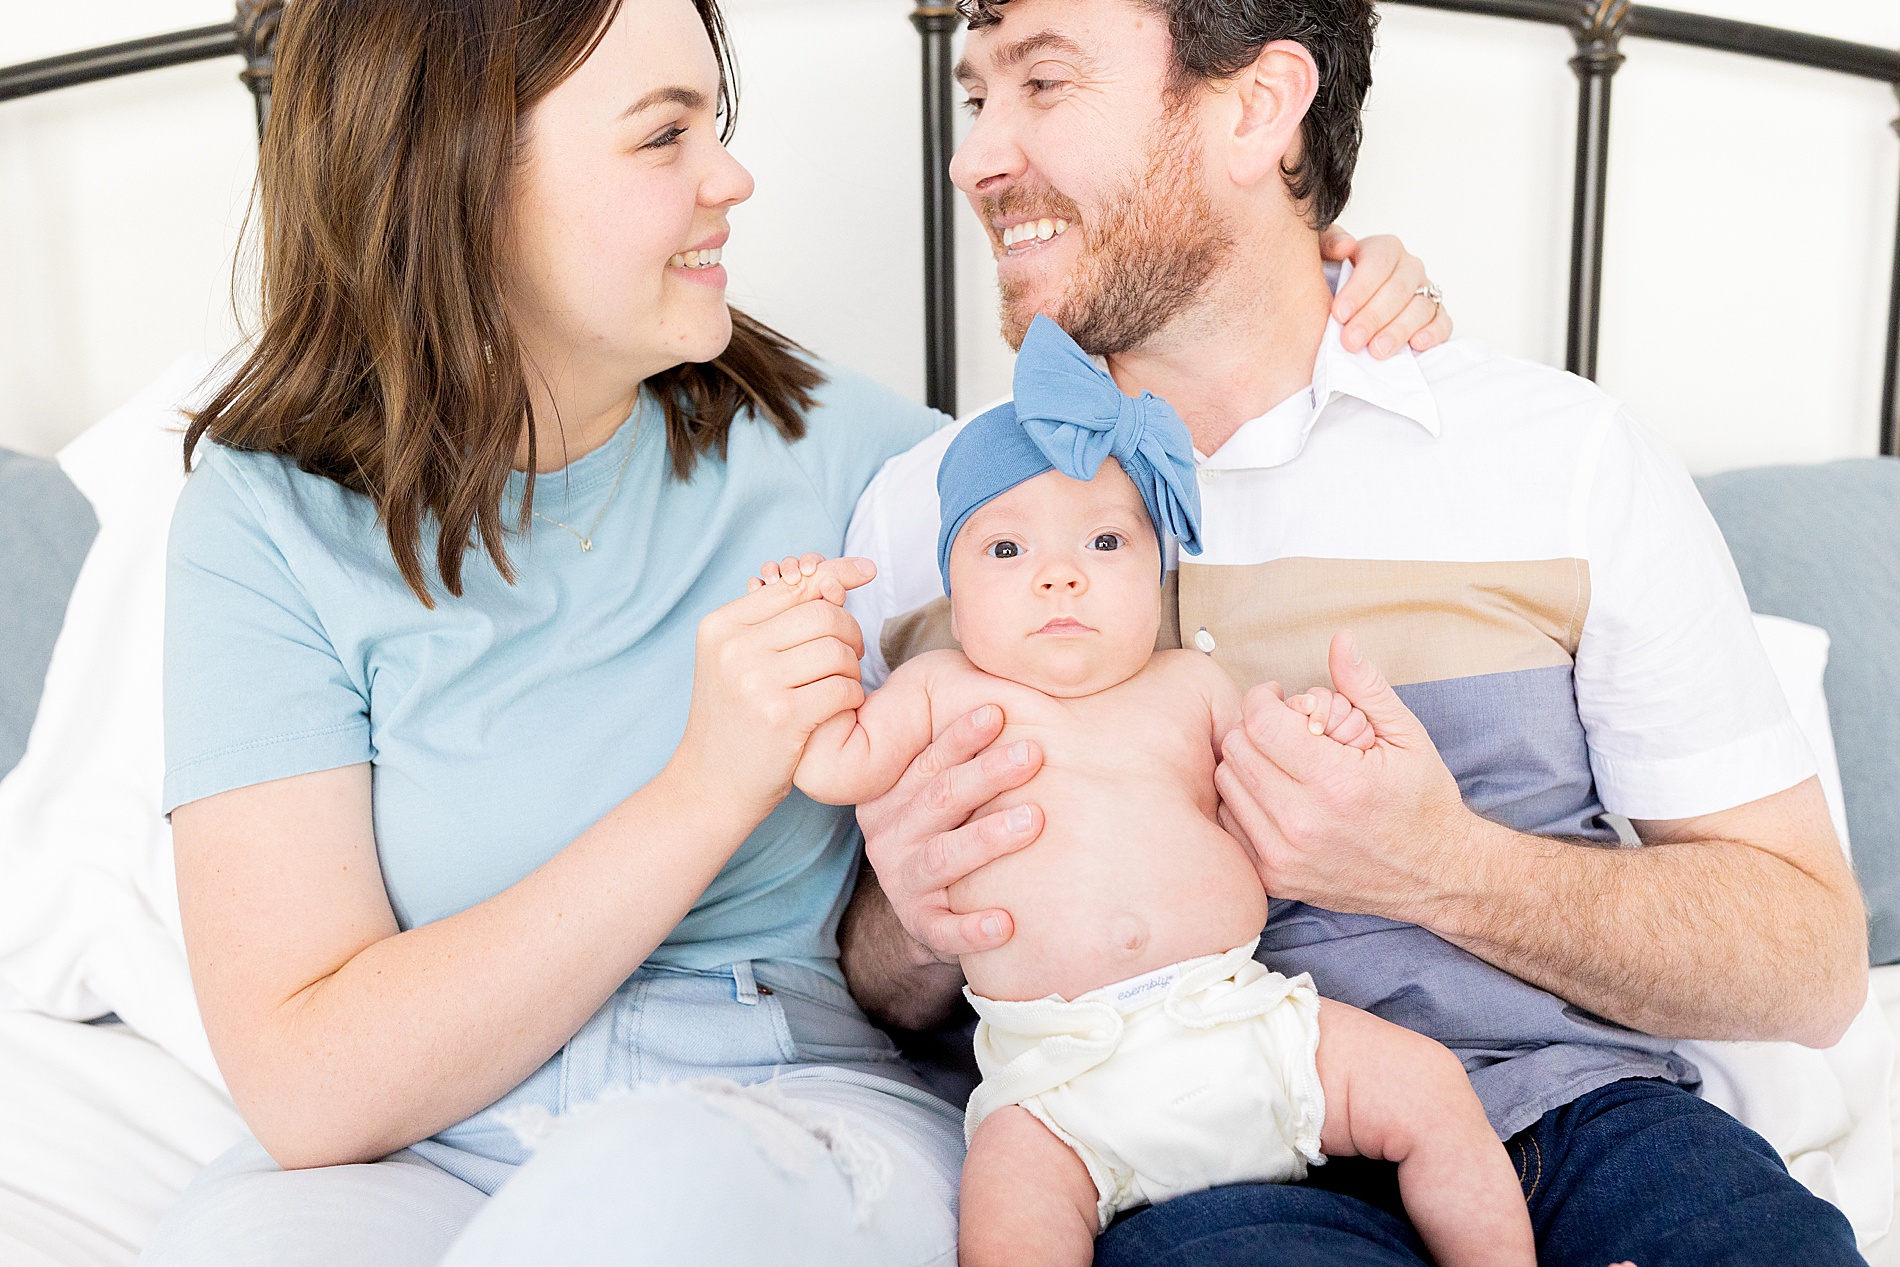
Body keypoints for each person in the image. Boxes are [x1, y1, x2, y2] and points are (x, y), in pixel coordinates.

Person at [138, 0, 1443, 1262]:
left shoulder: (858, 464)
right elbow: (307, 1088)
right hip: (415, 1146)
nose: (733, 177)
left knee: (649, 1194)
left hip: (790, 1107)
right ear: (458, 176)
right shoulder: (266, 520)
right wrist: (706, 785)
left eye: (717, 120)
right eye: (664, 135)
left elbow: (1111, 525)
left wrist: (1314, 291)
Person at [838, 0, 1871, 1264]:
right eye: (974, 98)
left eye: (1042, 85)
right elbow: (869, 988)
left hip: (1582, 1122)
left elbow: (1812, 967)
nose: (976, 155)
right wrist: (915, 909)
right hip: (1185, 1167)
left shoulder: (1559, 456)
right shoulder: (929, 512)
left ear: (1260, 106)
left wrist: (1443, 866)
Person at [776, 315, 1535, 1267]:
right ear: (951, 585)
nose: (1058, 577)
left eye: (1102, 542)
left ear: (1159, 570)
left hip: (1248, 1023)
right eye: (1006, 551)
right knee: (1004, 1215)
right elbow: (830, 761)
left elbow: (1287, 784)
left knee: (1428, 1086)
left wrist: (1326, 733)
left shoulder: (1191, 685)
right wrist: (814, 630)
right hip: (1059, 1082)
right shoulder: (939, 689)